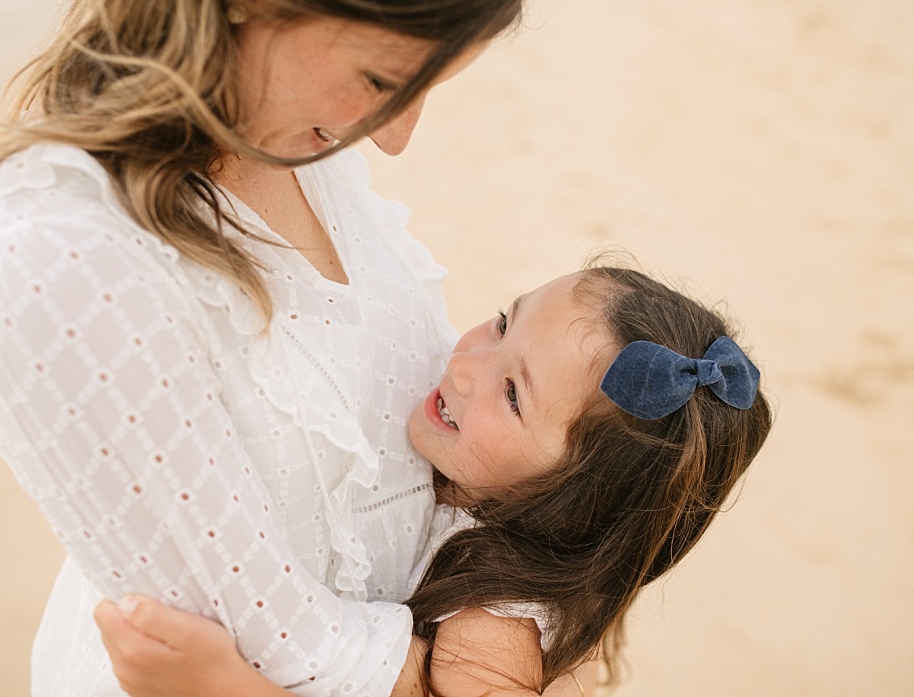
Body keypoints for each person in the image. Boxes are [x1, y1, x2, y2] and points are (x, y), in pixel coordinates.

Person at [0, 0, 535, 695]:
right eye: (382, 79)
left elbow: (465, 464)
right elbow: (275, 648)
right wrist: (504, 670)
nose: (394, 137)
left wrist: (517, 610)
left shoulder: (293, 143)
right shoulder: (56, 256)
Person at [92, 264, 774, 697]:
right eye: (505, 322)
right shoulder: (538, 541)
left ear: (573, 495)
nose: (469, 361)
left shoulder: (493, 621)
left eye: (512, 393)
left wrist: (218, 686)